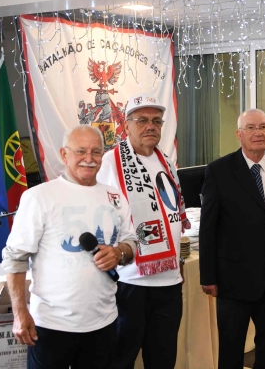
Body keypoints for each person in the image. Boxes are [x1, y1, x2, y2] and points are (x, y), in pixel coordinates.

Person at [2, 125, 137, 369]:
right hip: (51, 327)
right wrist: (20, 313)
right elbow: (15, 258)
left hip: (104, 323)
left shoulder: (114, 196)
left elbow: (131, 242)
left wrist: (119, 253)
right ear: (64, 154)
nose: (89, 158)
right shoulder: (39, 197)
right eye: (80, 151)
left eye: (96, 152)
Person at [199, 108, 265, 369]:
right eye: (251, 128)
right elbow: (208, 228)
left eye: (262, 127)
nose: (257, 133)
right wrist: (208, 276)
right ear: (239, 134)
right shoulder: (219, 171)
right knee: (231, 350)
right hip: (232, 279)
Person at [97, 94, 189, 369]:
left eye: (156, 121)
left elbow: (171, 214)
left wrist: (178, 259)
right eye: (142, 120)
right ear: (126, 125)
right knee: (121, 359)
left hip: (169, 281)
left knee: (163, 359)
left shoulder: (166, 161)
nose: (151, 126)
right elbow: (99, 215)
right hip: (131, 282)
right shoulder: (110, 162)